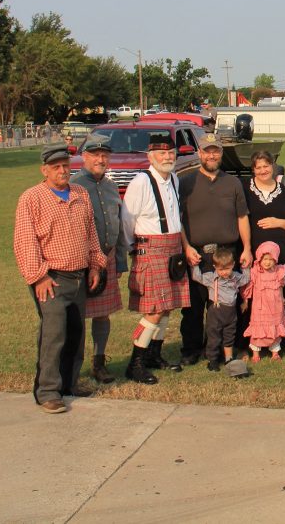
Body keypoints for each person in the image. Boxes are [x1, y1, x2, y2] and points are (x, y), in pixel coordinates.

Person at [13, 143, 105, 413]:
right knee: (54, 335)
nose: (63, 171)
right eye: (56, 167)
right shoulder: (31, 198)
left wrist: (96, 265)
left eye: (66, 165)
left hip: (79, 274)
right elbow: (25, 240)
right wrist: (38, 276)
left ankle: (69, 383)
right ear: (45, 170)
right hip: (51, 278)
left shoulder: (80, 193)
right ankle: (48, 390)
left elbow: (91, 232)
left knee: (76, 334)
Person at [121, 132, 191, 384]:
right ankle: (135, 363)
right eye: (162, 153)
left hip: (172, 248)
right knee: (154, 309)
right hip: (150, 249)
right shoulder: (141, 182)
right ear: (151, 156)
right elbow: (126, 220)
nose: (167, 157)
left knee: (168, 306)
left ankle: (153, 355)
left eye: (171, 153)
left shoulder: (173, 178)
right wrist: (133, 249)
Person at [179, 133, 252, 366]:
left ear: (221, 153)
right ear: (199, 153)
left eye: (216, 151)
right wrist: (186, 246)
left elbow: (242, 218)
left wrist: (247, 248)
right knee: (193, 305)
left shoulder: (233, 183)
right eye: (207, 151)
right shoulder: (185, 183)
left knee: (225, 305)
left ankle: (224, 348)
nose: (212, 155)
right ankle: (191, 348)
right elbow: (177, 219)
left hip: (227, 253)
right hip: (196, 254)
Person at [70, 133, 129, 384]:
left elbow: (117, 222)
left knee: (103, 315)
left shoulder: (111, 186)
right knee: (78, 316)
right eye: (95, 154)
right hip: (81, 261)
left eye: (105, 155)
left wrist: (120, 260)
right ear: (84, 156)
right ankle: (74, 364)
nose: (100, 159)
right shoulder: (73, 185)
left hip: (108, 256)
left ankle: (99, 360)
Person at [243, 150, 285, 343]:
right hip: (255, 253)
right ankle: (256, 340)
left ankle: (282, 338)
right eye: (258, 167)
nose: (263, 170)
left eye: (266, 166)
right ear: (253, 170)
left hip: (281, 253)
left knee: (280, 296)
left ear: (273, 167)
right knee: (256, 298)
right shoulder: (246, 190)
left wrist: (278, 222)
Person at [190, 246, 250, 371]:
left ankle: (229, 358)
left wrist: (246, 267)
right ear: (214, 266)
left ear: (233, 265)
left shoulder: (236, 277)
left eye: (227, 268)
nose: (224, 272)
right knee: (214, 337)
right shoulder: (212, 278)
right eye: (221, 269)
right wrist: (194, 265)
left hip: (231, 313)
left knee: (229, 336)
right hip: (216, 312)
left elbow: (246, 279)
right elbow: (197, 277)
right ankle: (213, 360)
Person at [242, 241, 285, 362]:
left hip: (275, 306)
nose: (267, 262)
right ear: (259, 259)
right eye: (264, 259)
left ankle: (275, 352)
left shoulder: (278, 272)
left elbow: (280, 287)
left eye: (270, 259)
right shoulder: (255, 272)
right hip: (260, 307)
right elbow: (249, 288)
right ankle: (255, 353)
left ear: (275, 259)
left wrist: (282, 298)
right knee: (258, 330)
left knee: (274, 328)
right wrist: (245, 302)